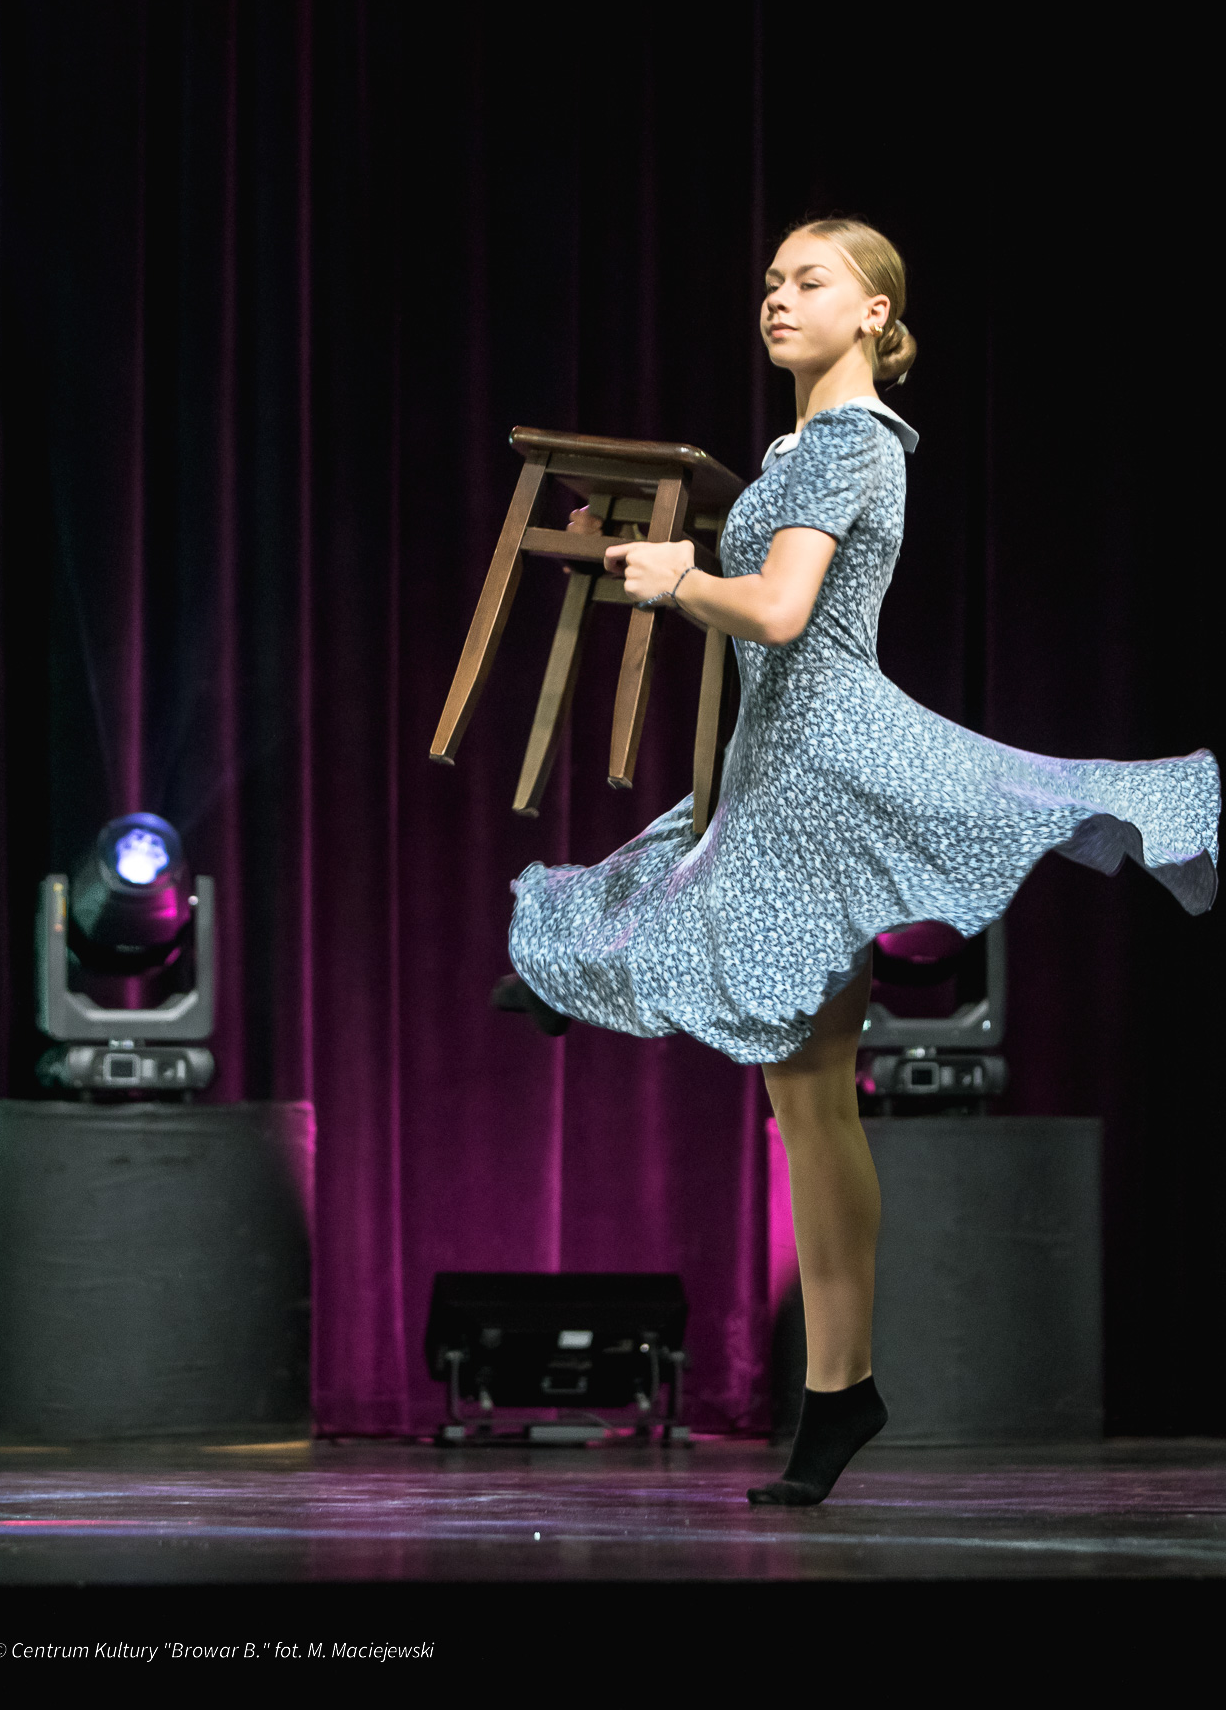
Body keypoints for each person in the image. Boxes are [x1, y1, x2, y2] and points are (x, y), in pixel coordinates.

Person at [493, 217, 1220, 1505]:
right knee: (810, 1095)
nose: (777, 297)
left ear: (875, 311)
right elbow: (753, 578)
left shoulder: (846, 442)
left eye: (810, 280)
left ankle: (565, 984)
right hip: (779, 754)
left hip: (827, 758)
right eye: (770, 280)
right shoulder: (802, 449)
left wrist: (676, 579)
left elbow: (777, 611)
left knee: (760, 1027)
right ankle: (841, 1394)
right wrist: (653, 539)